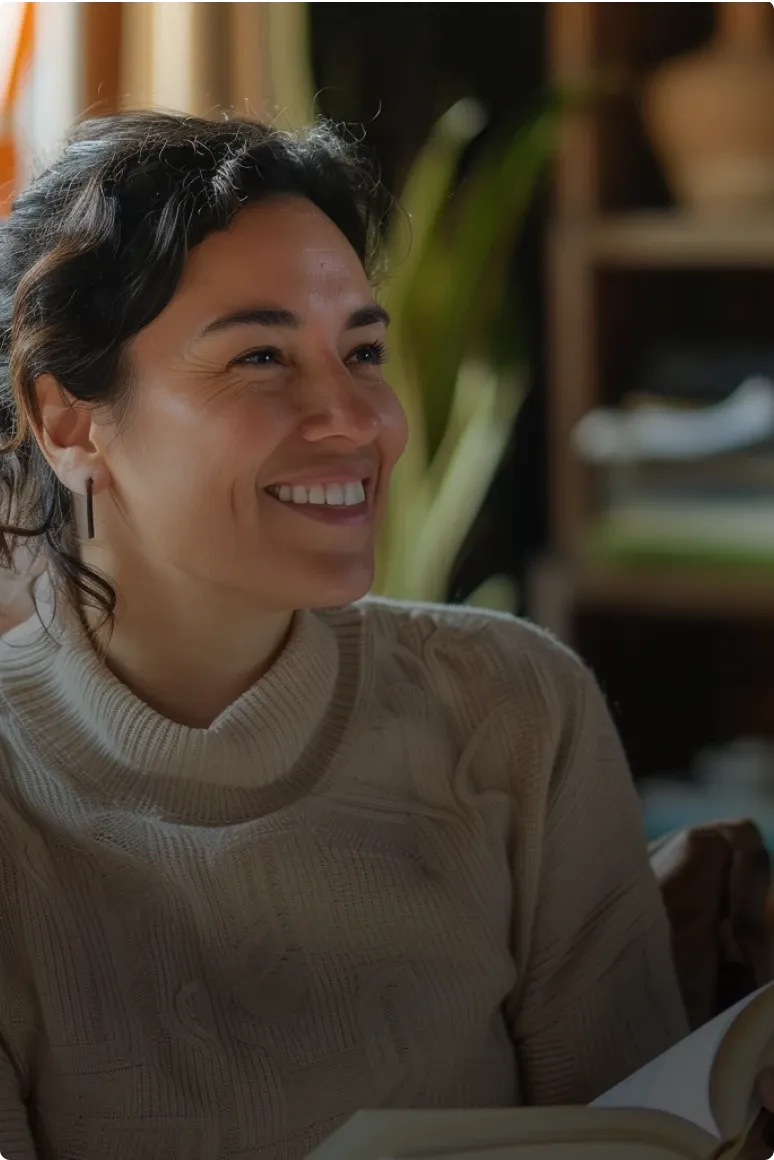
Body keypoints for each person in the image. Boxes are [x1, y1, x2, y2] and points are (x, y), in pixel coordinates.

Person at [0, 109, 769, 1160]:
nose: (358, 418)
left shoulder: (515, 709)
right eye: (262, 355)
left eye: (362, 350)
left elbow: (644, 1135)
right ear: (68, 419)